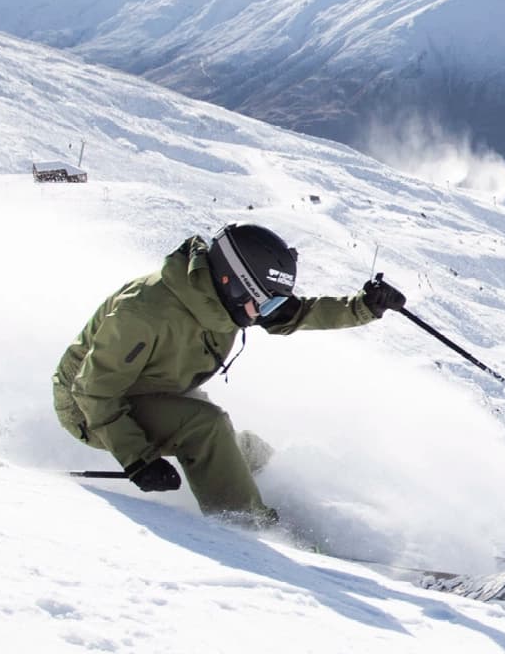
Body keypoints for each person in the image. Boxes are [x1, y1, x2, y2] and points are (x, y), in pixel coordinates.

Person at [53, 223, 406, 526]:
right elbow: (93, 391)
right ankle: (248, 528)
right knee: (206, 426)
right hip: (87, 405)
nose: (264, 314)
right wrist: (138, 460)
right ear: (232, 282)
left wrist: (363, 307)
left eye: (273, 304)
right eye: (264, 304)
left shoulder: (224, 300)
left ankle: (281, 495)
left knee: (241, 448)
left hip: (150, 387)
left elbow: (298, 314)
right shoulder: (146, 312)